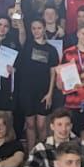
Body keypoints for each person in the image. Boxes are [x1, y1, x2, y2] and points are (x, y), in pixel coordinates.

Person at [14, 15, 60, 152]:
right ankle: (30, 154)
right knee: (30, 125)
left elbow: (53, 73)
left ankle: (43, 153)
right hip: (26, 91)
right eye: (33, 28)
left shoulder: (51, 50)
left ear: (44, 28)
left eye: (39, 28)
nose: (36, 31)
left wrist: (50, 93)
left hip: (43, 91)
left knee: (41, 125)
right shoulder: (26, 45)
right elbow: (21, 31)